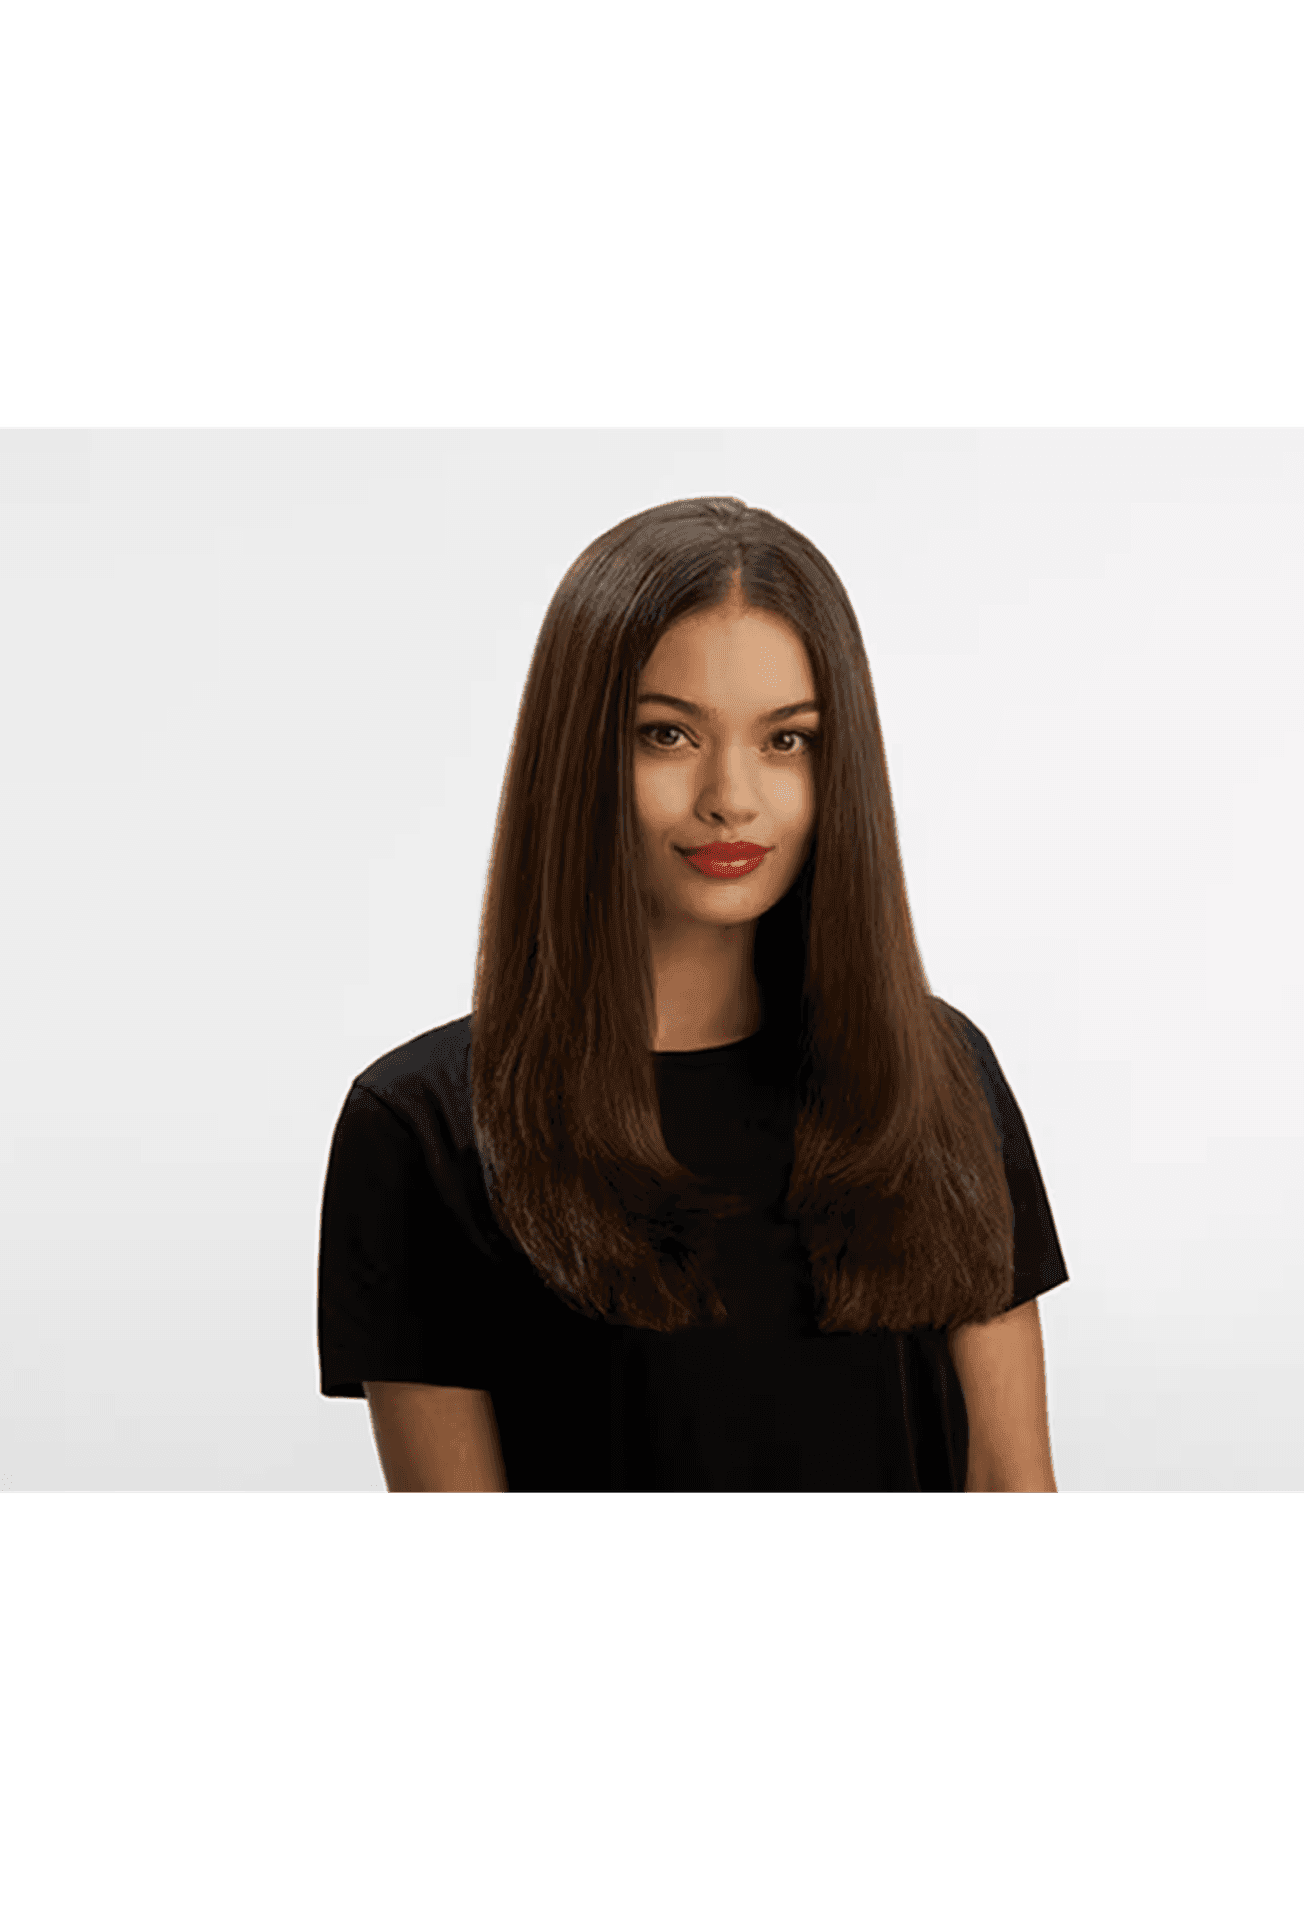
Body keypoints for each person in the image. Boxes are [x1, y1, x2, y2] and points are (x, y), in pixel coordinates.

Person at [318, 497, 1070, 1491]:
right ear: (580, 757)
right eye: (667, 736)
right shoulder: (420, 1130)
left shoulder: (938, 1075)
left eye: (786, 740)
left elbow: (1016, 1489)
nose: (732, 795)